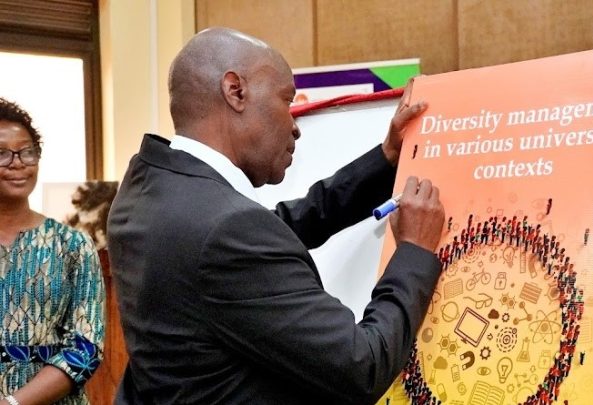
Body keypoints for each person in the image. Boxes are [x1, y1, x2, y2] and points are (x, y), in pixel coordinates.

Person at [107, 28, 445, 404]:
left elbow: (279, 227)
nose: (295, 125)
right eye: (287, 101)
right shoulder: (227, 229)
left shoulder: (150, 186)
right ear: (235, 91)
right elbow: (362, 364)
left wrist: (384, 160)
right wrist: (413, 250)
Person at [0, 98, 105, 405]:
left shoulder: (72, 245)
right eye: (2, 153)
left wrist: (14, 404)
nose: (17, 162)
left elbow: (86, 347)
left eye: (27, 151)